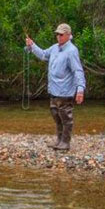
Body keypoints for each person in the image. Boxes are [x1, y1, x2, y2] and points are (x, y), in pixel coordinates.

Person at [25, 23, 86, 151]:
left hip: (65, 92)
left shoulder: (72, 51)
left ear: (68, 35)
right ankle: (59, 140)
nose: (58, 37)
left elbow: (78, 71)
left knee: (66, 117)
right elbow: (42, 55)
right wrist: (32, 45)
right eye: (57, 34)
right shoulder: (54, 48)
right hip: (53, 91)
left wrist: (80, 89)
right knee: (56, 115)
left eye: (61, 34)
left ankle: (65, 142)